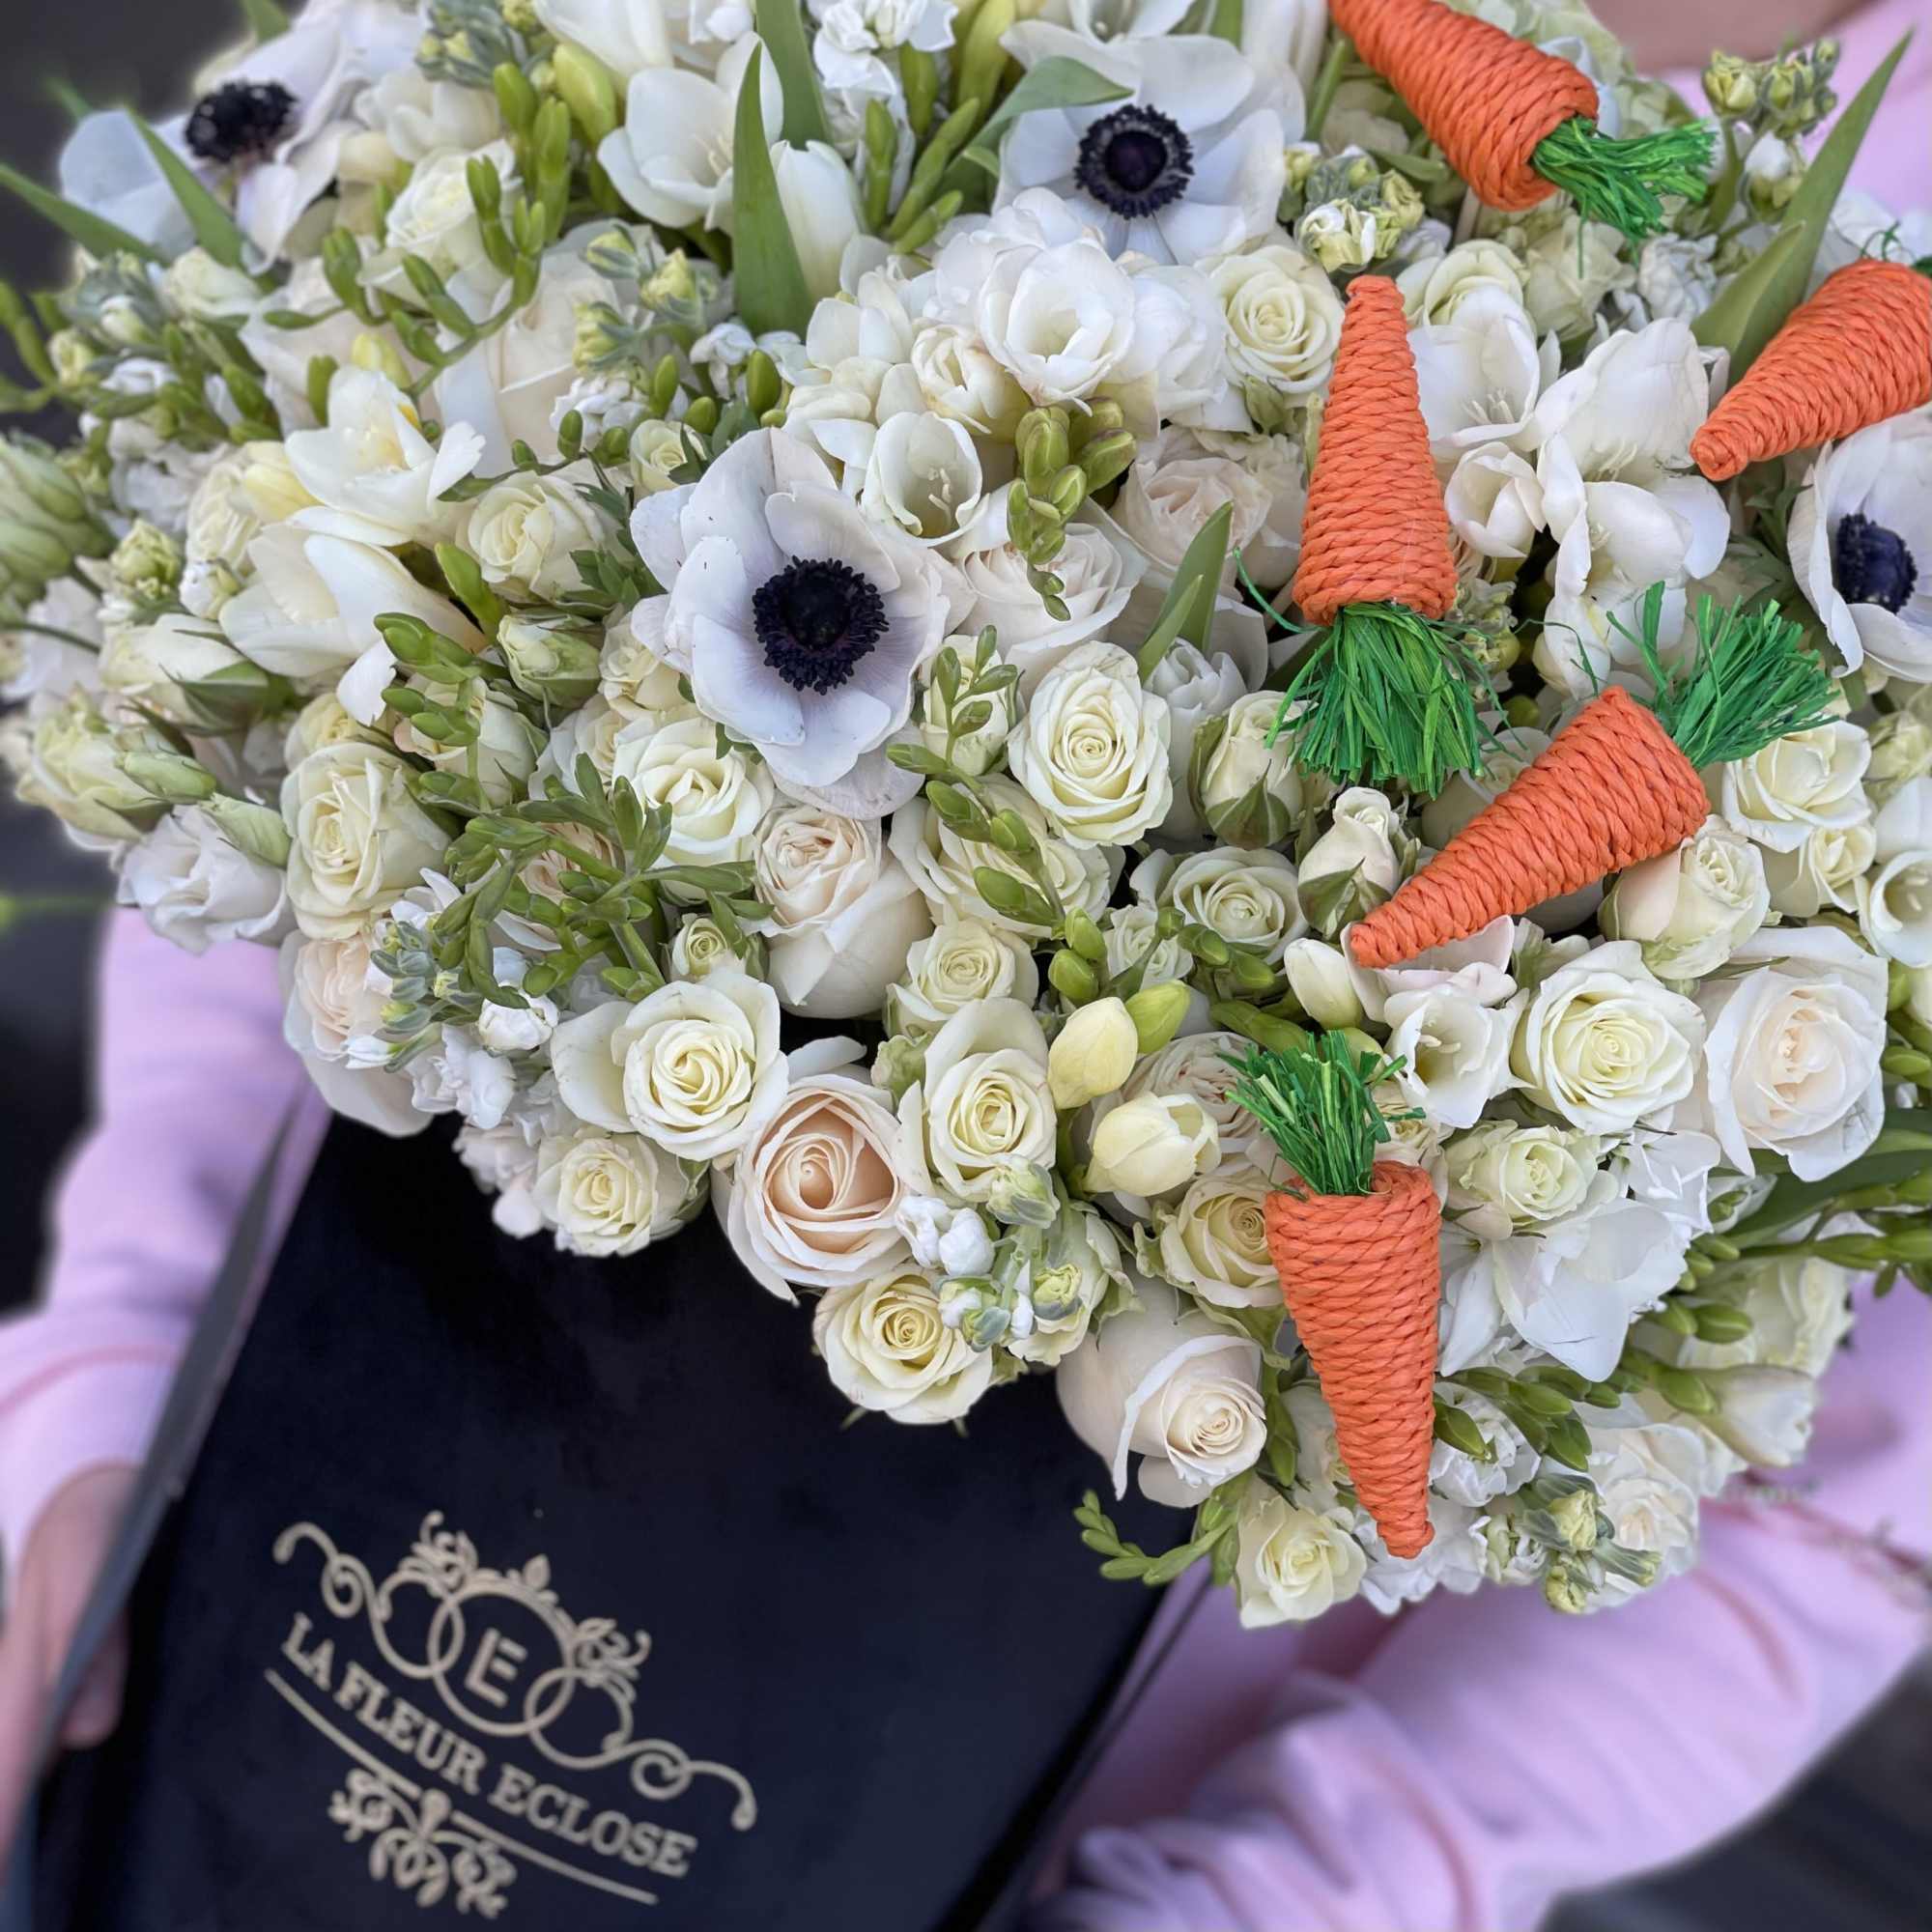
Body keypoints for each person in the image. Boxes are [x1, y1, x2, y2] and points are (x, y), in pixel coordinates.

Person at [5, 9, 1932, 1925]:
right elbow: (344, 734)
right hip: (281, 1551)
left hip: (1017, 1819)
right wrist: (105, 1380)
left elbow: (1838, 1517)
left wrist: (1266, 1902)